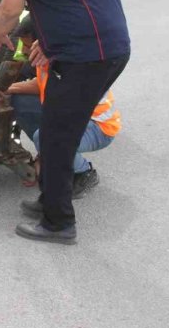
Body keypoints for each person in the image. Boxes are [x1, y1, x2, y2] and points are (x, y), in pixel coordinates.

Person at [0, 0, 130, 244]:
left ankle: (58, 223)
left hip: (86, 56)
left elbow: (9, 6)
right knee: (57, 128)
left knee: (57, 137)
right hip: (109, 47)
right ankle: (49, 198)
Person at [7, 16, 122, 199]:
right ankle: (51, 155)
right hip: (72, 114)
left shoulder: (67, 61)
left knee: (45, 136)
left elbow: (62, 106)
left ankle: (84, 172)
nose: (26, 52)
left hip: (99, 127)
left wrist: (43, 157)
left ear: (41, 42)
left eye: (29, 46)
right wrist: (8, 89)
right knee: (18, 100)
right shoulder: (47, 55)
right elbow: (41, 84)